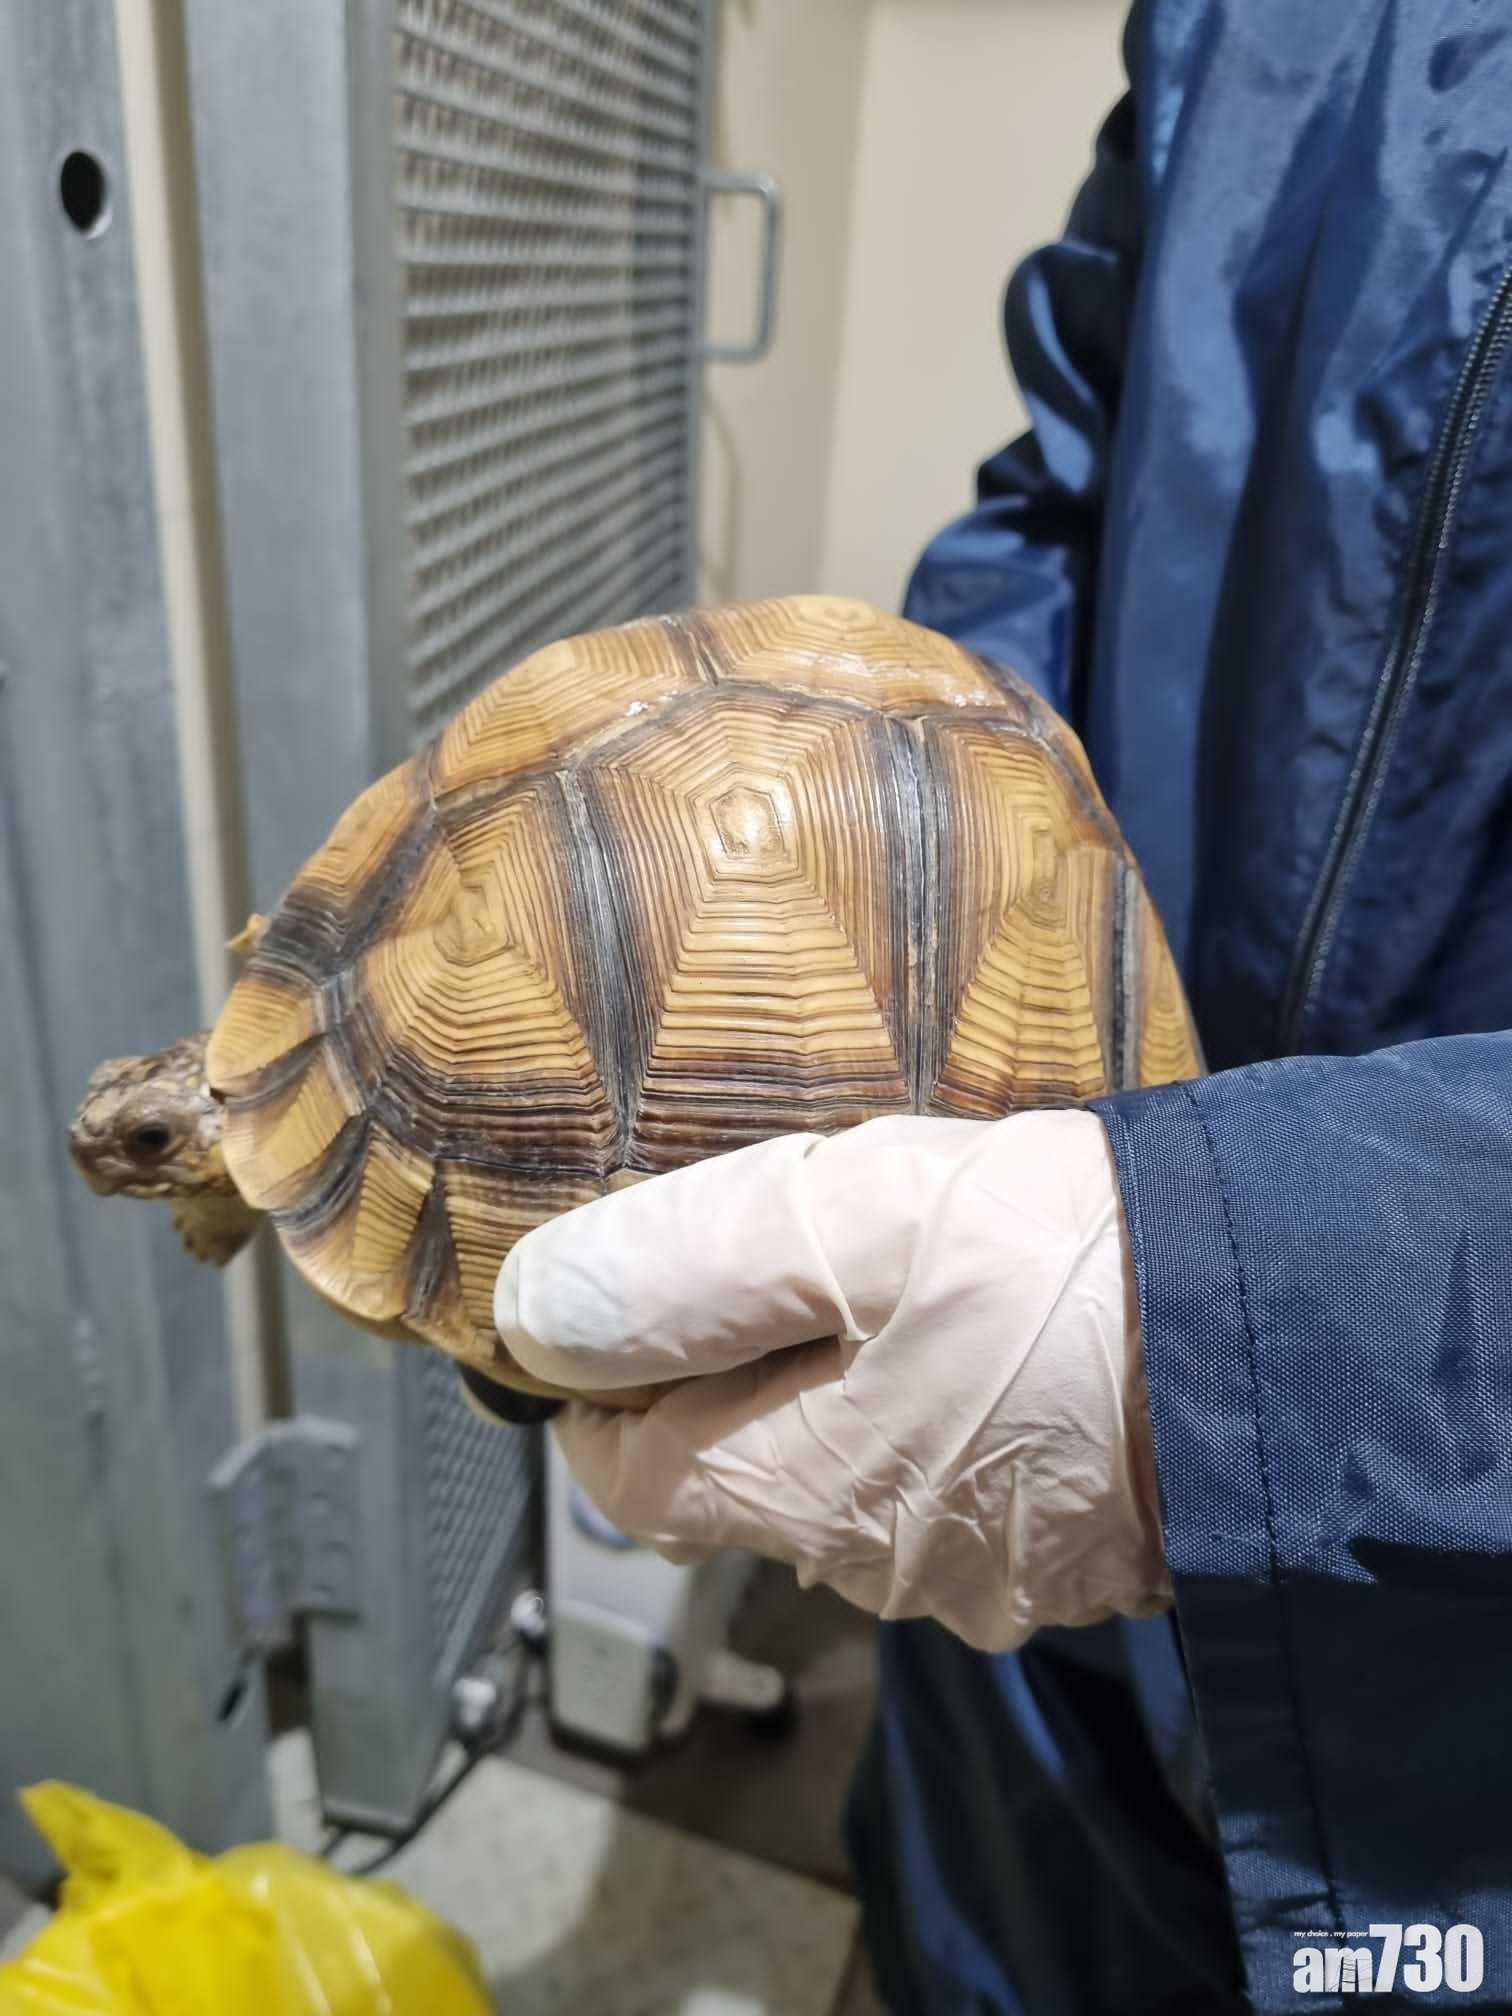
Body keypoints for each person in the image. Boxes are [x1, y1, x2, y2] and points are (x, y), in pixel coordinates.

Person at [493, 5, 1512, 2009]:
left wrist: (1266, 1325)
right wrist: (872, 877)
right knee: (980, 1918)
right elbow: (1064, 482)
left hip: (1442, 1707)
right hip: (1020, 1322)